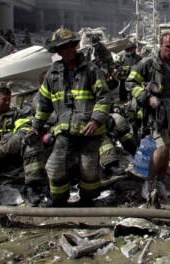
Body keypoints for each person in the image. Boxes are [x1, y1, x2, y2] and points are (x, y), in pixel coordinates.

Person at [32, 26, 112, 207]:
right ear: (58, 51)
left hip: (89, 130)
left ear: (75, 47)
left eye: (70, 46)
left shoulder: (91, 70)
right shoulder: (52, 74)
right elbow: (44, 103)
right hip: (64, 130)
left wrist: (95, 120)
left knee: (89, 168)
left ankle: (87, 199)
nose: (68, 50)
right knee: (55, 166)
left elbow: (104, 97)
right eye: (63, 48)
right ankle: (59, 200)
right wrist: (36, 126)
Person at [126, 32, 170, 207]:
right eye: (167, 46)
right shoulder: (149, 63)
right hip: (154, 115)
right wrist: (147, 98)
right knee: (161, 146)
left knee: (168, 146)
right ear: (160, 45)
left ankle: (160, 179)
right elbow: (130, 83)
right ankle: (150, 183)